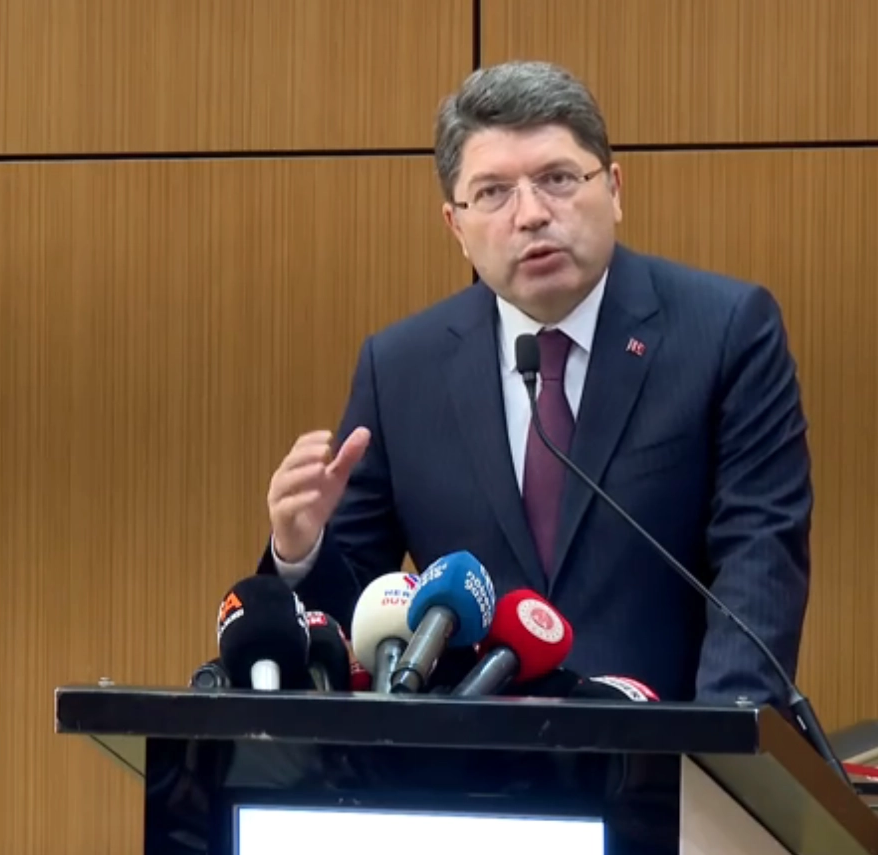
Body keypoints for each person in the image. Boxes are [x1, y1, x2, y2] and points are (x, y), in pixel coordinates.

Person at [257, 60, 812, 707]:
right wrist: (301, 549)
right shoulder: (401, 367)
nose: (531, 214)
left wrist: (721, 747)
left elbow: (758, 559)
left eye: (557, 179)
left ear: (613, 188)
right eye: (493, 192)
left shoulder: (724, 331)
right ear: (456, 226)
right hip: (470, 757)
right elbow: (360, 621)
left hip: (664, 748)